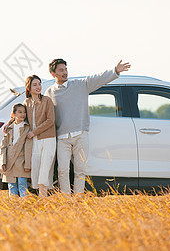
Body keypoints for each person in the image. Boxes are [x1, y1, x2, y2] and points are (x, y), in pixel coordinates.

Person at [45, 59, 131, 195]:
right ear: (53, 74)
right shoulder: (49, 92)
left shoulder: (80, 85)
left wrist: (115, 70)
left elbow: (99, 78)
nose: (65, 72)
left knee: (80, 169)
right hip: (62, 138)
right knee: (62, 170)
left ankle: (78, 197)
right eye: (61, 70)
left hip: (80, 135)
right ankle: (66, 198)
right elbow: (43, 112)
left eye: (66, 69)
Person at [24, 75, 57, 197]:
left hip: (48, 138)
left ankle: (43, 198)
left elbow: (50, 120)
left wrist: (34, 132)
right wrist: (9, 124)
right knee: (36, 168)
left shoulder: (47, 100)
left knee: (45, 168)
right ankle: (42, 197)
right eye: (35, 85)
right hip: (34, 141)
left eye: (39, 84)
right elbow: (21, 118)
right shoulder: (26, 102)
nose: (38, 87)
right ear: (29, 87)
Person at [0, 103, 32, 197]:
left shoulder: (27, 127)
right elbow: (3, 146)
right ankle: (14, 206)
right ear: (13, 114)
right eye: (20, 112)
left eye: (24, 112)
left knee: (22, 184)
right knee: (11, 186)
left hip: (21, 160)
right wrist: (3, 162)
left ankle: (24, 205)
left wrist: (27, 164)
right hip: (9, 161)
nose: (23, 114)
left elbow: (28, 147)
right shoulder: (9, 128)